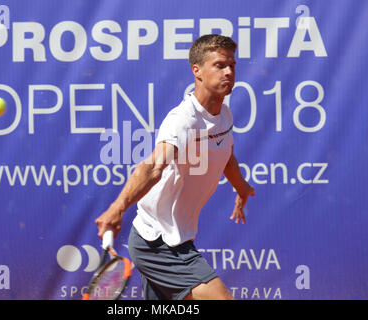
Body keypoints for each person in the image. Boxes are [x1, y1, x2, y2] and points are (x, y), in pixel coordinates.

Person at [95, 34, 255, 300]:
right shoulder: (183, 119)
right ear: (197, 71)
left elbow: (226, 155)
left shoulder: (224, 115)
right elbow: (154, 167)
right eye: (219, 65)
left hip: (175, 236)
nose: (229, 72)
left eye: (232, 65)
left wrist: (241, 187)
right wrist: (117, 207)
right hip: (158, 241)